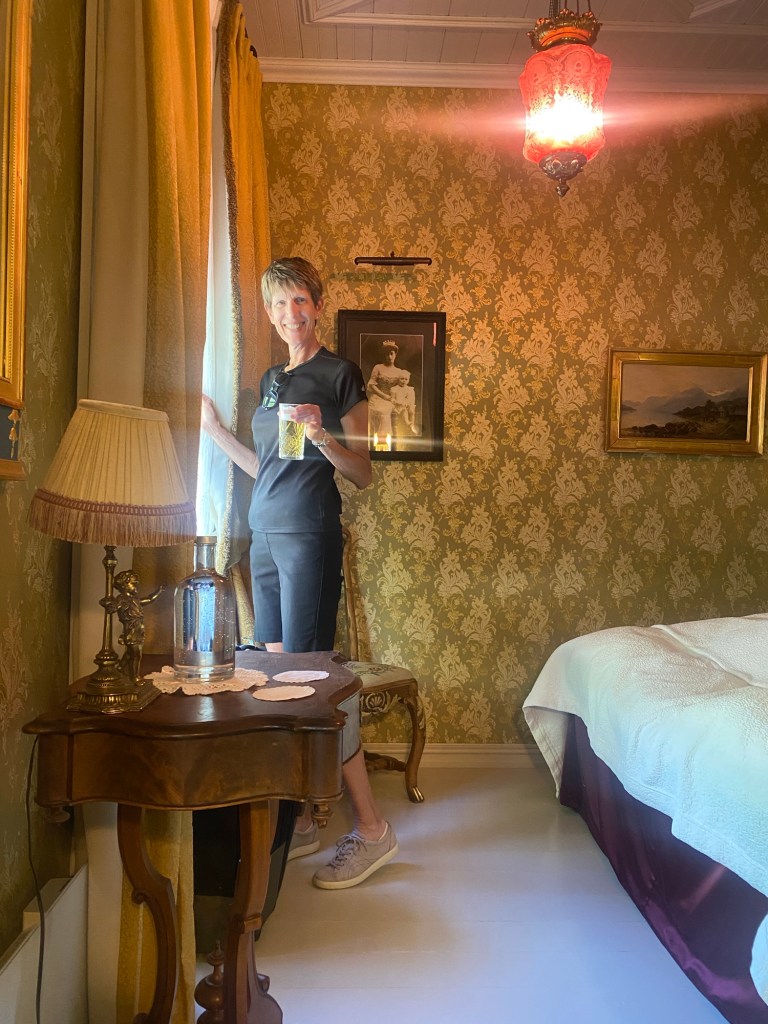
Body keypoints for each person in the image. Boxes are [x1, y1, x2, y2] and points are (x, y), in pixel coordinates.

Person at [201, 256, 398, 890]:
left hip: (309, 537)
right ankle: (309, 815)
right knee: (277, 677)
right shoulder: (271, 380)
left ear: (317, 304)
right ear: (269, 312)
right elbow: (269, 470)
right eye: (279, 304)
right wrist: (215, 432)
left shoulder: (340, 374)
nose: (291, 314)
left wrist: (322, 437)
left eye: (300, 301)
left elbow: (362, 474)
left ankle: (372, 829)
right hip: (264, 537)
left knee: (313, 683)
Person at [367, 339, 412, 444]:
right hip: (378, 396)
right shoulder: (378, 367)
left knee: (385, 410)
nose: (389, 357)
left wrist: (401, 399)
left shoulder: (399, 372)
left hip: (393, 399)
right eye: (386, 354)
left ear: (395, 354)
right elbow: (372, 385)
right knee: (373, 409)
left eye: (391, 354)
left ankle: (385, 443)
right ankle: (373, 441)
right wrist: (384, 396)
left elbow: (403, 387)